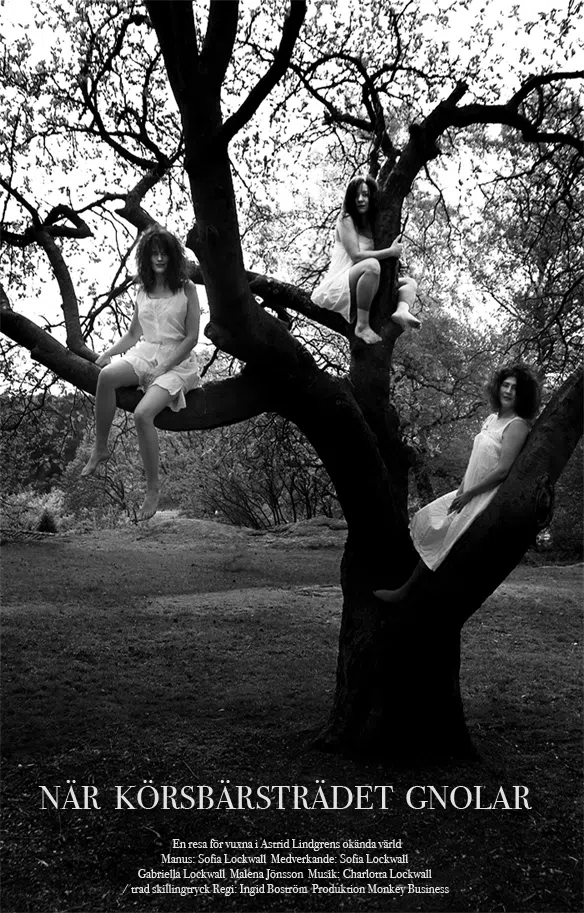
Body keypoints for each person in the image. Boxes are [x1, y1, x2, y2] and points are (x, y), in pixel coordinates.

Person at [374, 364, 542, 603]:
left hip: (484, 496)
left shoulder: (516, 425)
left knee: (447, 540)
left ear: (523, 393)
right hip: (468, 490)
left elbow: (502, 470)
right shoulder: (492, 418)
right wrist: (462, 490)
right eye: (505, 385)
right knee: (428, 520)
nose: (508, 391)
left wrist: (469, 494)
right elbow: (477, 460)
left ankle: (406, 594)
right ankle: (399, 579)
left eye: (515, 388)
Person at [82, 225, 201, 522]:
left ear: (173, 256)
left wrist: (164, 367)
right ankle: (100, 448)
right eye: (154, 253)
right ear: (146, 258)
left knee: (142, 414)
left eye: (164, 253)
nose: (159, 258)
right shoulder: (142, 290)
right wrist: (108, 353)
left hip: (177, 361)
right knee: (106, 377)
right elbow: (134, 333)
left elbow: (192, 337)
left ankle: (152, 489)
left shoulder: (186, 287)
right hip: (145, 353)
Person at [312, 175, 420, 345]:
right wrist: (390, 252)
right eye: (356, 195)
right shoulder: (345, 219)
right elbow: (356, 256)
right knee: (371, 265)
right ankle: (362, 325)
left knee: (410, 283)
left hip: (364, 284)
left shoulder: (372, 225)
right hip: (341, 283)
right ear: (350, 198)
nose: (361, 199)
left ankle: (402, 311)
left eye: (365, 195)